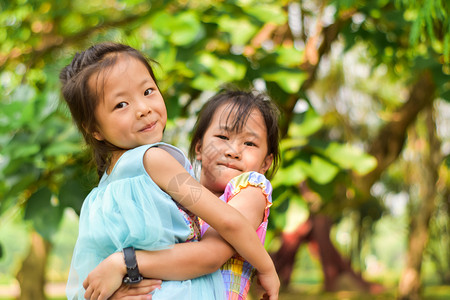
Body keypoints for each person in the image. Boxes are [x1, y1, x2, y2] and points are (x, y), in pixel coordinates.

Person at [60, 42, 279, 300]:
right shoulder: (156, 160)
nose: (143, 109)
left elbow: (88, 276)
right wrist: (267, 268)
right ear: (94, 129)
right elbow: (230, 222)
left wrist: (121, 270)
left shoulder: (101, 195)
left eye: (148, 91)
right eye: (121, 104)